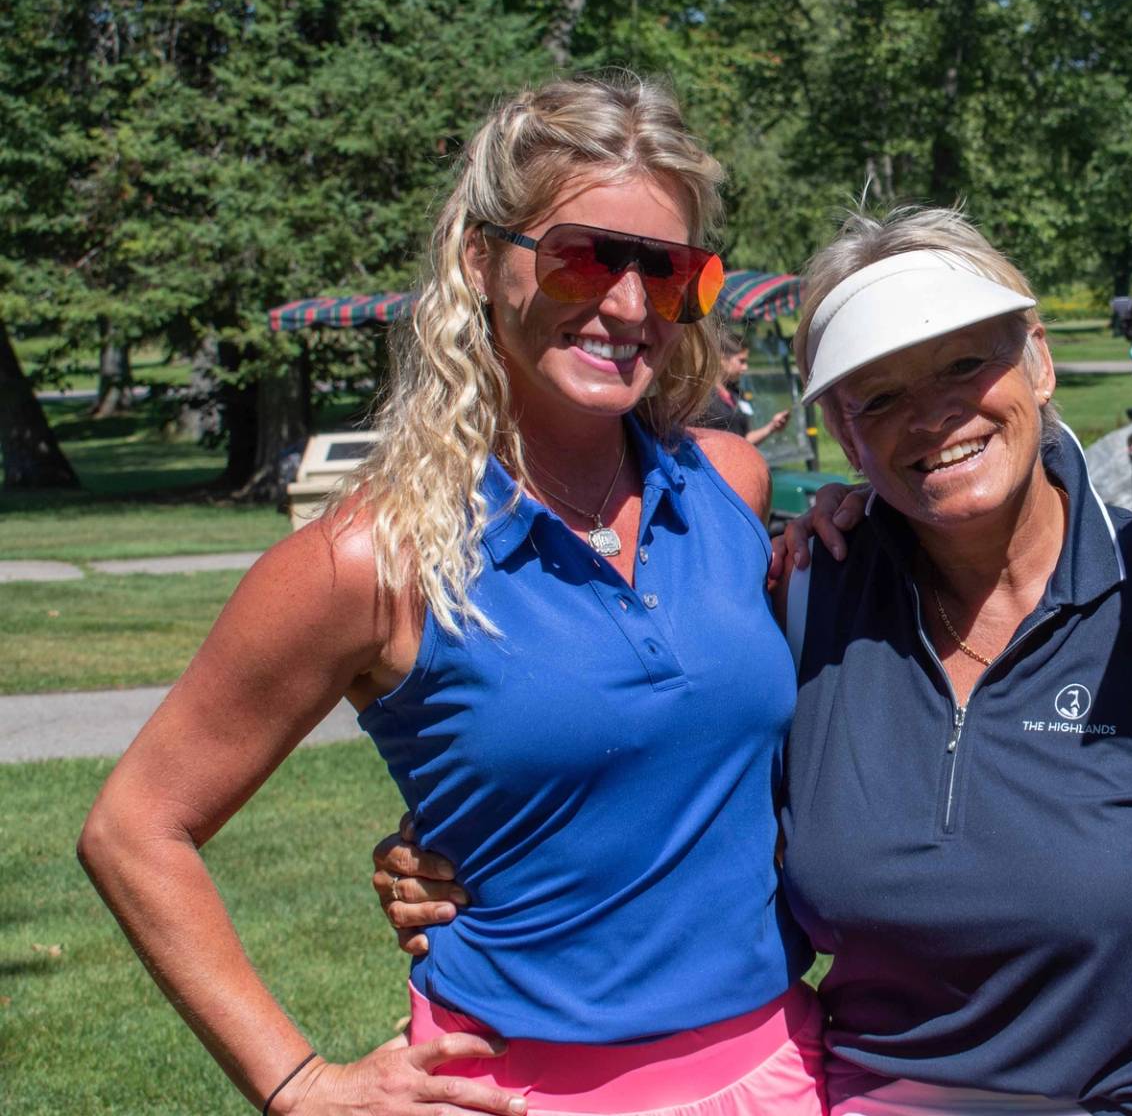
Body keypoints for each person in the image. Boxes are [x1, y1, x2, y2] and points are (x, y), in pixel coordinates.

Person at [374, 206, 1132, 1116]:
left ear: (1038, 363)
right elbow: (651, 780)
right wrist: (475, 860)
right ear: (840, 434)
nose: (936, 413)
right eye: (878, 394)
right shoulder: (797, 601)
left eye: (967, 362)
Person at [78, 71, 825, 1116]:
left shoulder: (729, 486)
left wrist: (862, 516)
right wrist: (298, 1083)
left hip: (779, 1069)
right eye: (581, 258)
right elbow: (135, 826)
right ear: (483, 259)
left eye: (668, 274)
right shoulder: (371, 559)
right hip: (515, 1093)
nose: (624, 305)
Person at [700, 325, 794, 445]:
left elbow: (745, 440)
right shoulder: (703, 397)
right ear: (722, 358)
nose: (745, 367)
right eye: (741, 361)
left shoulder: (736, 393)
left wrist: (771, 427)